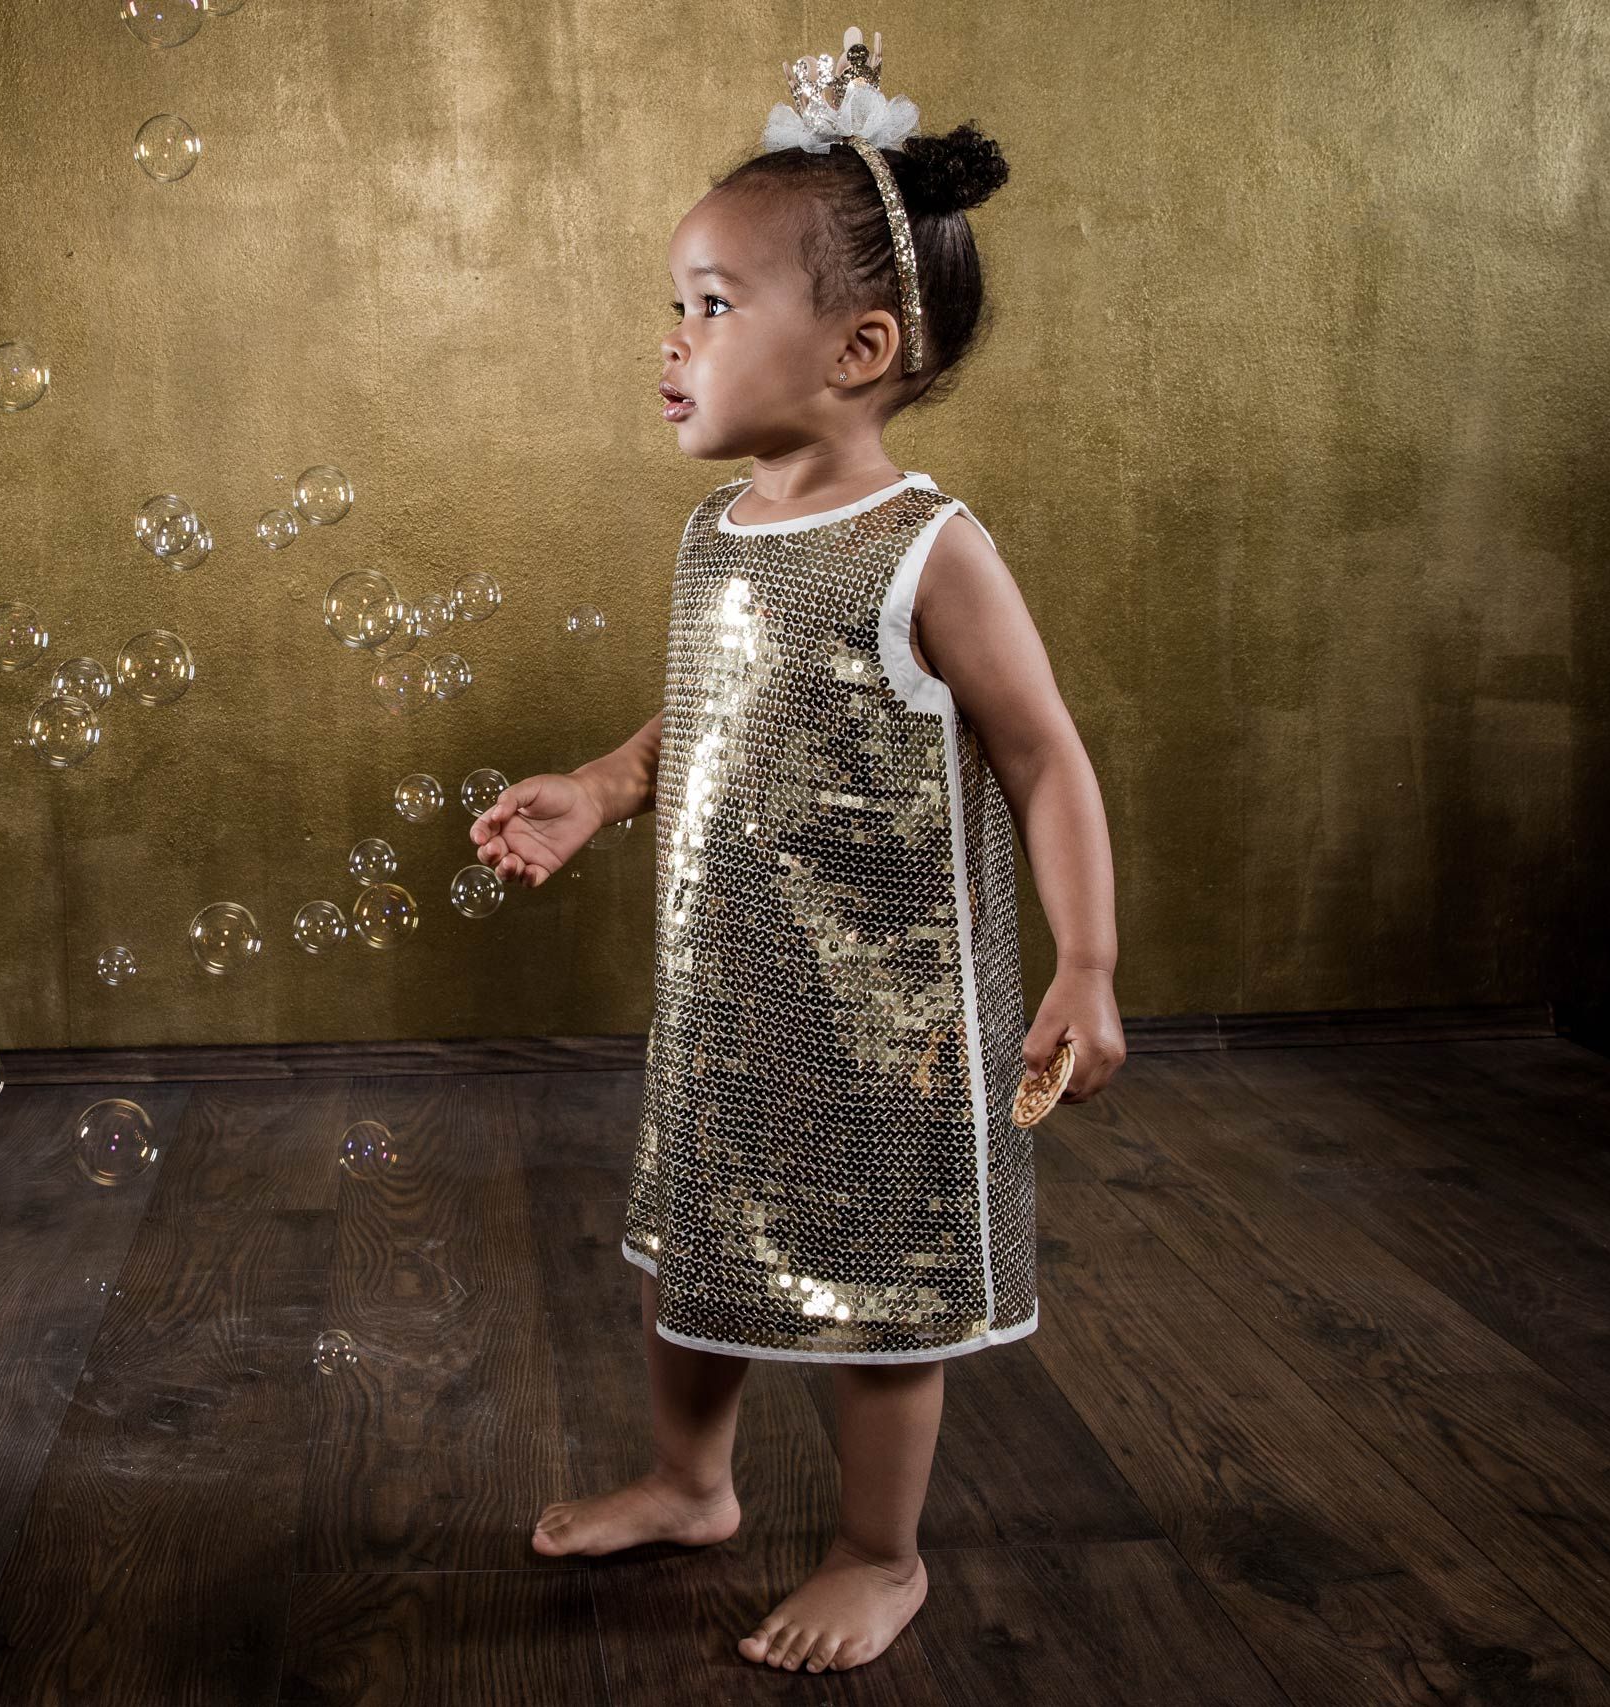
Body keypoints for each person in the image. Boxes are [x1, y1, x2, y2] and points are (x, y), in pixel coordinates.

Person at [470, 30, 1126, 1675]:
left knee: (876, 1295)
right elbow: (705, 715)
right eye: (674, 304)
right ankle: (691, 1483)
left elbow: (1044, 758)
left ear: (859, 347)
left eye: (710, 304)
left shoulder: (927, 552)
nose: (671, 338)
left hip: (889, 1030)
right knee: (687, 1247)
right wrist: (600, 788)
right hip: (733, 1001)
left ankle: (879, 1556)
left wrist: (1089, 964)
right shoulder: (718, 529)